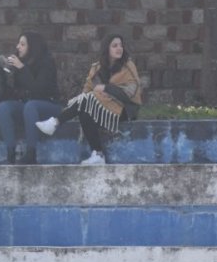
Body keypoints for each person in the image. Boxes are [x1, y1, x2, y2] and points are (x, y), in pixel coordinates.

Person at [36, 33, 143, 164]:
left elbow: (131, 93)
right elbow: (87, 90)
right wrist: (96, 96)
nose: (119, 48)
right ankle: (98, 154)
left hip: (125, 109)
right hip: (103, 108)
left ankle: (55, 122)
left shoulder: (128, 65)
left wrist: (106, 89)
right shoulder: (97, 68)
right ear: (106, 48)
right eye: (114, 45)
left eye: (120, 45)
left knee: (87, 100)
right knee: (84, 110)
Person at [0, 32, 61, 164]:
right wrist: (4, 73)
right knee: (4, 107)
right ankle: (11, 152)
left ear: (32, 47)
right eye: (18, 43)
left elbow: (39, 90)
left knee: (31, 105)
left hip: (49, 106)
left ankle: (31, 153)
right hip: (28, 108)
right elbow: (14, 92)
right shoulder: (21, 64)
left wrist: (22, 69)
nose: (18, 47)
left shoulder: (46, 62)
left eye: (22, 44)